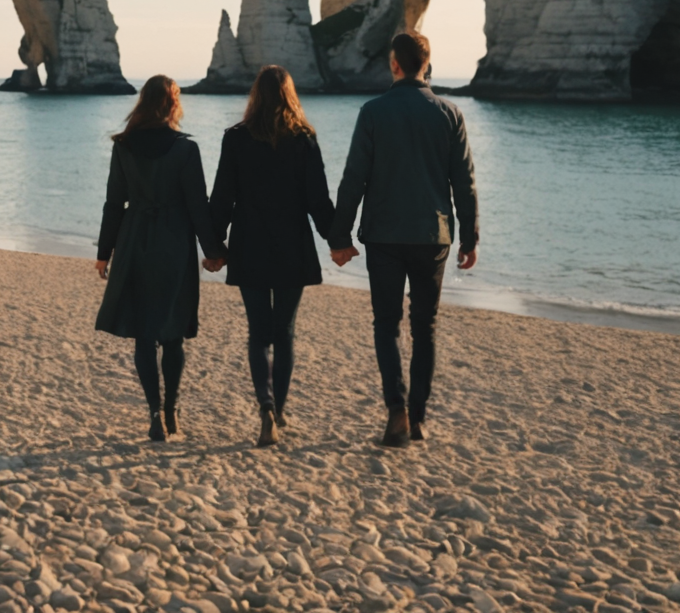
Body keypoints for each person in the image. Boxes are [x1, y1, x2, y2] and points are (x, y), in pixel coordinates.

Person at [329, 31, 479, 448]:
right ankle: (418, 416)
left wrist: (339, 235)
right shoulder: (449, 114)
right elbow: (464, 183)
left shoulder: (373, 112)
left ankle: (395, 408)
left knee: (386, 323)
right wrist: (470, 238)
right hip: (434, 236)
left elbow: (353, 178)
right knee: (425, 328)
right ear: (426, 65)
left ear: (395, 64)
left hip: (384, 235)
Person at [205, 65, 335, 448]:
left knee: (258, 332)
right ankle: (278, 409)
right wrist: (337, 238)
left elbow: (222, 198)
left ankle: (264, 407)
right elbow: (318, 201)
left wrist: (215, 246)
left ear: (256, 96)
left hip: (250, 245)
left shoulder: (236, 139)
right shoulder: (305, 139)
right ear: (290, 96)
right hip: (293, 246)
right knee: (285, 332)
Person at [95, 75, 225, 442]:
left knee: (143, 335)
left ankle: (154, 411)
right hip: (173, 243)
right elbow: (198, 206)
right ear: (172, 103)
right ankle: (171, 411)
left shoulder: (123, 146)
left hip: (134, 240)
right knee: (172, 335)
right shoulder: (185, 149)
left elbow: (113, 203)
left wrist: (104, 253)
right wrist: (213, 251)